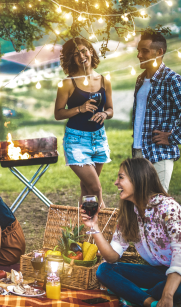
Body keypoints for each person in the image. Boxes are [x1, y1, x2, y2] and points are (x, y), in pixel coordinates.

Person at [82, 158, 181, 307]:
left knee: (168, 289)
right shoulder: (129, 214)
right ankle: (151, 302)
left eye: (121, 177)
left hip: (179, 274)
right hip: (160, 273)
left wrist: (168, 295)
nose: (116, 182)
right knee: (104, 269)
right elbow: (112, 256)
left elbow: (179, 256)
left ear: (138, 178)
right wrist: (93, 226)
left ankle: (140, 294)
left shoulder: (168, 208)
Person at [55, 37, 114, 209]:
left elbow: (110, 109)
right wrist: (79, 109)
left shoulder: (104, 80)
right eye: (75, 54)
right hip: (76, 141)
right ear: (71, 59)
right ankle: (103, 224)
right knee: (95, 188)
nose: (81, 56)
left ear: (90, 51)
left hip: (99, 138)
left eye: (83, 50)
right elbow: (58, 114)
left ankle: (85, 230)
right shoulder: (67, 83)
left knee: (87, 187)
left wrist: (104, 113)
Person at [131, 31, 181, 192]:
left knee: (157, 207)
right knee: (139, 206)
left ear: (160, 52)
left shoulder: (171, 79)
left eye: (144, 51)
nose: (139, 55)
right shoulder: (140, 79)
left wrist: (173, 137)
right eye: (138, 50)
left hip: (160, 154)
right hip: (138, 152)